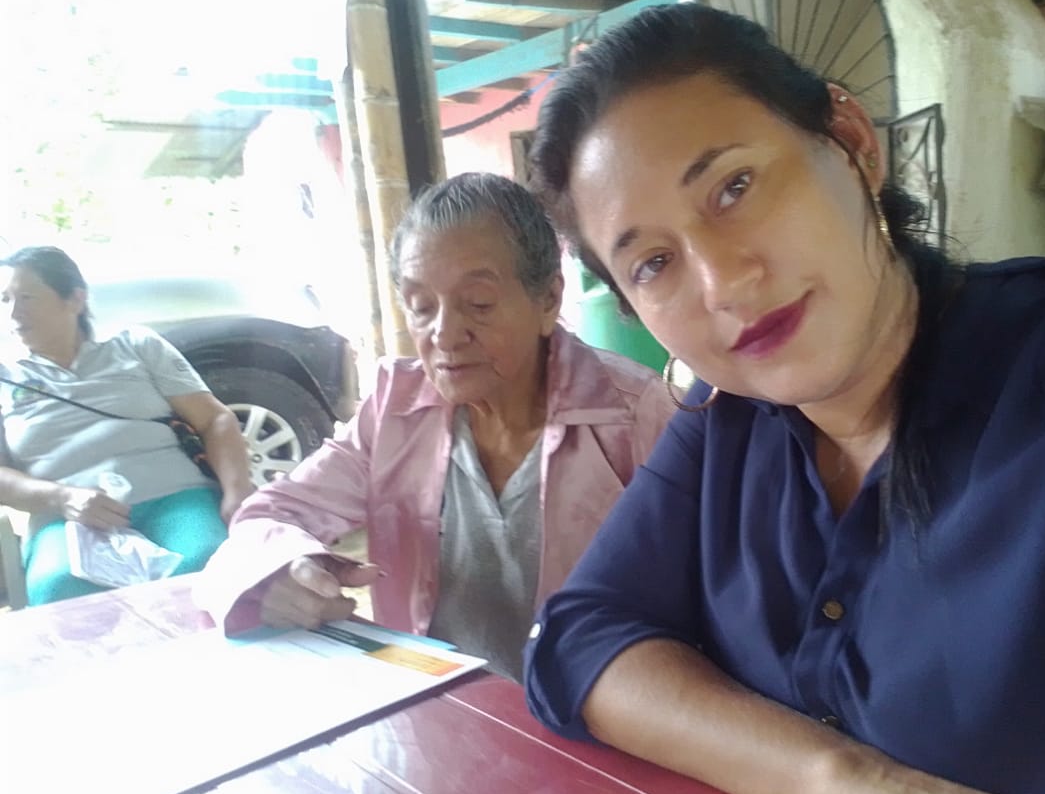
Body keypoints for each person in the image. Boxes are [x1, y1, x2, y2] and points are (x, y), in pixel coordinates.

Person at [521, 3, 1045, 794]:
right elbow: (577, 640)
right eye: (654, 263)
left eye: (734, 188)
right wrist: (853, 786)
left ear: (850, 141)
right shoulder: (730, 427)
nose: (724, 282)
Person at [196, 172, 675, 681]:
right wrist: (278, 573)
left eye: (479, 304)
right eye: (421, 307)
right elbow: (269, 514)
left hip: (596, 713)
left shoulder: (635, 415)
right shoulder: (395, 412)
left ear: (548, 300)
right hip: (435, 704)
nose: (444, 334)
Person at [1, 246, 255, 605]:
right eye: (5, 299)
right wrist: (62, 498)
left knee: (206, 565)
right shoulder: (6, 377)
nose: (13, 312)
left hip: (175, 497)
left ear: (75, 299)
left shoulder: (136, 346)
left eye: (27, 297)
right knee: (60, 588)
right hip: (68, 517)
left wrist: (237, 491)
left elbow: (215, 419)